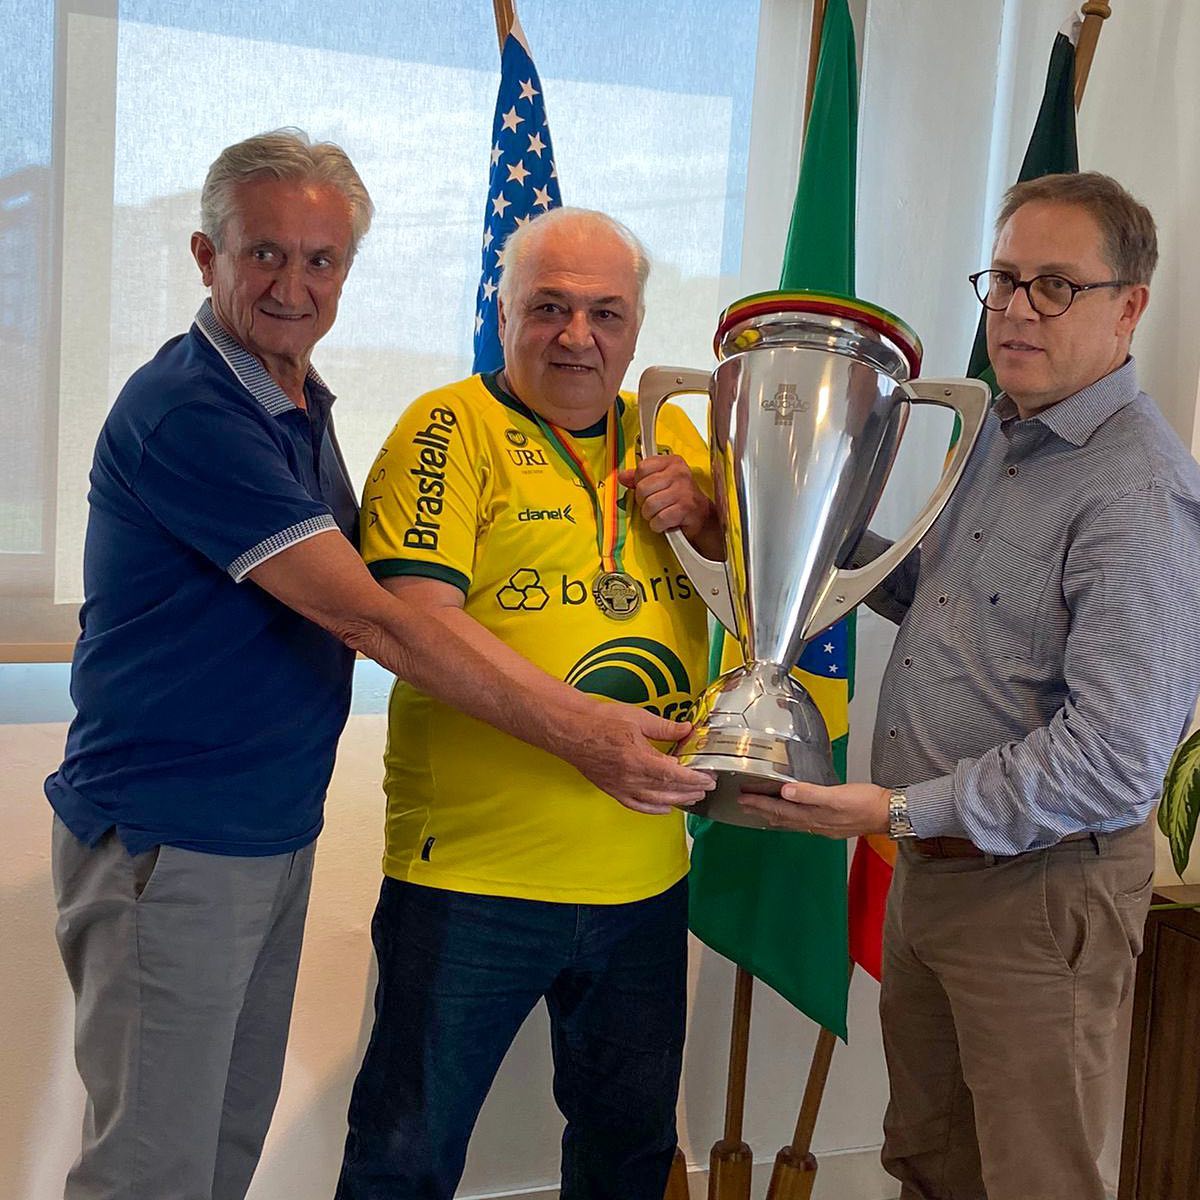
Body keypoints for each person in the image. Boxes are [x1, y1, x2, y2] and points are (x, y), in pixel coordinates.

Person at [46, 135, 711, 1200]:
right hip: (172, 837)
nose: (293, 285)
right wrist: (588, 733)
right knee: (155, 1171)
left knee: (218, 1148)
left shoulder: (292, 397)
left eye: (321, 260)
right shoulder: (193, 410)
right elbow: (377, 620)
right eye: (265, 254)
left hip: (265, 830)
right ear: (207, 256)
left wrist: (715, 521)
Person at [738, 172, 1200, 1200]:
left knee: (1034, 1180)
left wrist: (895, 809)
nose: (1017, 310)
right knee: (931, 1164)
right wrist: (763, 531)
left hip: (1043, 894)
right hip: (935, 873)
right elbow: (931, 592)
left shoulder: (1140, 494)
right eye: (1003, 280)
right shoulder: (999, 429)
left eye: (1056, 286)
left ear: (1129, 306)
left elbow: (1115, 763)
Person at [334, 206, 721, 1200]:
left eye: (605, 312)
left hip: (642, 880)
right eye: (548, 307)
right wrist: (582, 733)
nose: (576, 336)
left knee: (628, 1159)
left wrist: (713, 519)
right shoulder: (445, 428)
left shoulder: (672, 436)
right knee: (403, 1165)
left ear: (637, 327)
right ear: (501, 313)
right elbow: (416, 624)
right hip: (473, 879)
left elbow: (766, 596)